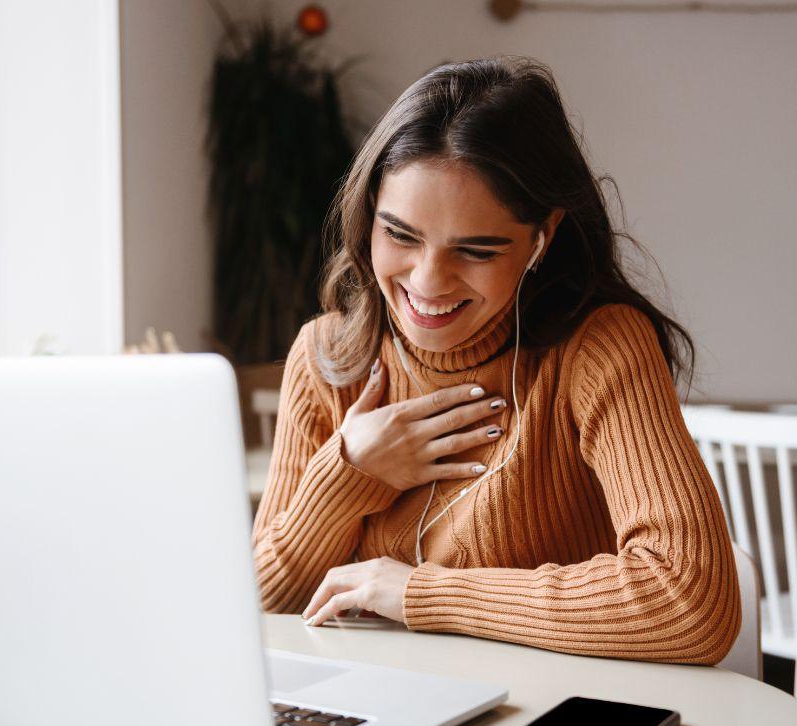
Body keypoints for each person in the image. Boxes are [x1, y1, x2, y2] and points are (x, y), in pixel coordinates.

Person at [252, 56, 740, 664]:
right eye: (400, 235)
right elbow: (258, 608)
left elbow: (689, 602)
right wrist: (352, 473)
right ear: (367, 213)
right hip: (379, 707)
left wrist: (420, 594)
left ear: (542, 238)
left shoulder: (599, 347)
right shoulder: (327, 355)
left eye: (477, 250)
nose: (427, 282)